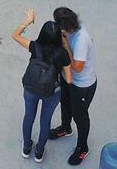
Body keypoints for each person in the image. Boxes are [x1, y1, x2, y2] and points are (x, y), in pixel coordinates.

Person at [12, 9, 72, 163]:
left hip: (31, 88)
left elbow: (15, 35)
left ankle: (26, 148)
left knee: (29, 116)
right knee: (45, 121)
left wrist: (28, 20)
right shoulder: (61, 54)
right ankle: (39, 152)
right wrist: (65, 46)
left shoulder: (34, 46)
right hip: (52, 92)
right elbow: (69, 80)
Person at [49, 6, 97, 165]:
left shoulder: (81, 39)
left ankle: (82, 147)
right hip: (67, 77)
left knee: (80, 116)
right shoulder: (70, 31)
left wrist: (66, 46)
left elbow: (77, 67)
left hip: (82, 84)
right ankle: (65, 127)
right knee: (65, 103)